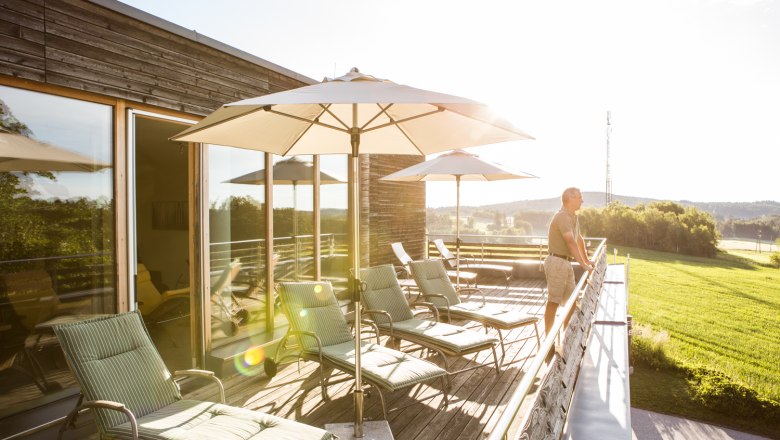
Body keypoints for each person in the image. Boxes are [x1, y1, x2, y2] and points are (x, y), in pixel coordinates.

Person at [543, 187, 594, 342]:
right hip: (557, 262)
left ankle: (566, 339)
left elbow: (579, 240)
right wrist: (583, 266)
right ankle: (548, 342)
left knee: (571, 302)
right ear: (570, 199)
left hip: (566, 263)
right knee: (554, 302)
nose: (582, 200)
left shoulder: (573, 217)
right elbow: (570, 242)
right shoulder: (562, 217)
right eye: (579, 197)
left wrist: (586, 261)